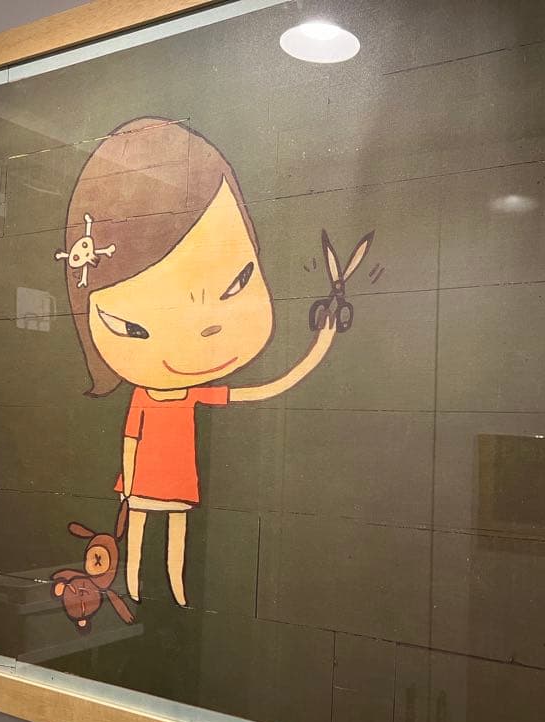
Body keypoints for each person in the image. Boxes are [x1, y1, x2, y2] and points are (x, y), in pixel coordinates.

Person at [57, 117, 369, 607]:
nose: (204, 331)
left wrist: (320, 346)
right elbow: (130, 440)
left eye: (237, 283)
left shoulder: (190, 395)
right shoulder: (146, 397)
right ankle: (134, 584)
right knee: (138, 535)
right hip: (146, 482)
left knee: (175, 536)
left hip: (176, 478)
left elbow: (263, 389)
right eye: (133, 327)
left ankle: (176, 590)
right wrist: (128, 484)